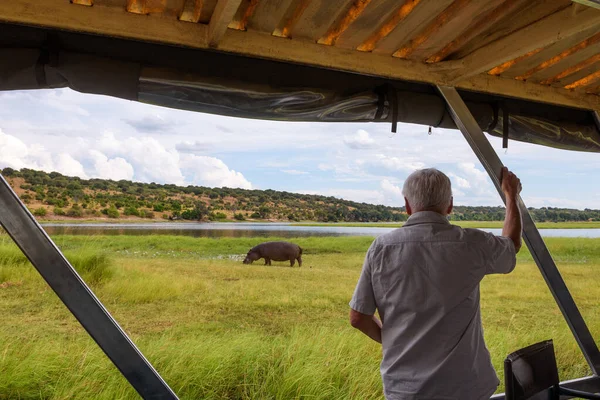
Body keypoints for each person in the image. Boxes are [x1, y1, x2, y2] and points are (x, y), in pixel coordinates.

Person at [349, 167, 522, 400]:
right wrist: (511, 196)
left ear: (407, 206)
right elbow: (511, 244)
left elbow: (358, 318)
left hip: (405, 388)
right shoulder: (471, 243)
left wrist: (389, 339)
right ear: (450, 205)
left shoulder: (381, 248)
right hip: (466, 386)